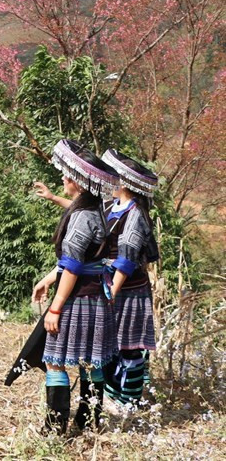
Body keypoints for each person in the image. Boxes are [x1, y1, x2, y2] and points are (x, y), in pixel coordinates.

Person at [32, 139, 120, 434]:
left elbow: (72, 266)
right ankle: (89, 421)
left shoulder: (82, 218)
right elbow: (78, 260)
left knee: (55, 363)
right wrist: (48, 278)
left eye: (67, 174)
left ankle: (54, 429)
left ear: (79, 182)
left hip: (78, 300)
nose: (63, 177)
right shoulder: (99, 211)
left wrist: (54, 308)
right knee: (91, 362)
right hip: (98, 299)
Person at [100, 148, 159, 411]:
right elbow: (90, 217)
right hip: (113, 285)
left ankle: (130, 400)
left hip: (129, 289)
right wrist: (54, 197)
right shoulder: (113, 205)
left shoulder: (135, 214)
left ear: (123, 183)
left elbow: (126, 259)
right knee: (112, 343)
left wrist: (113, 290)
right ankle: (114, 394)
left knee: (130, 345)